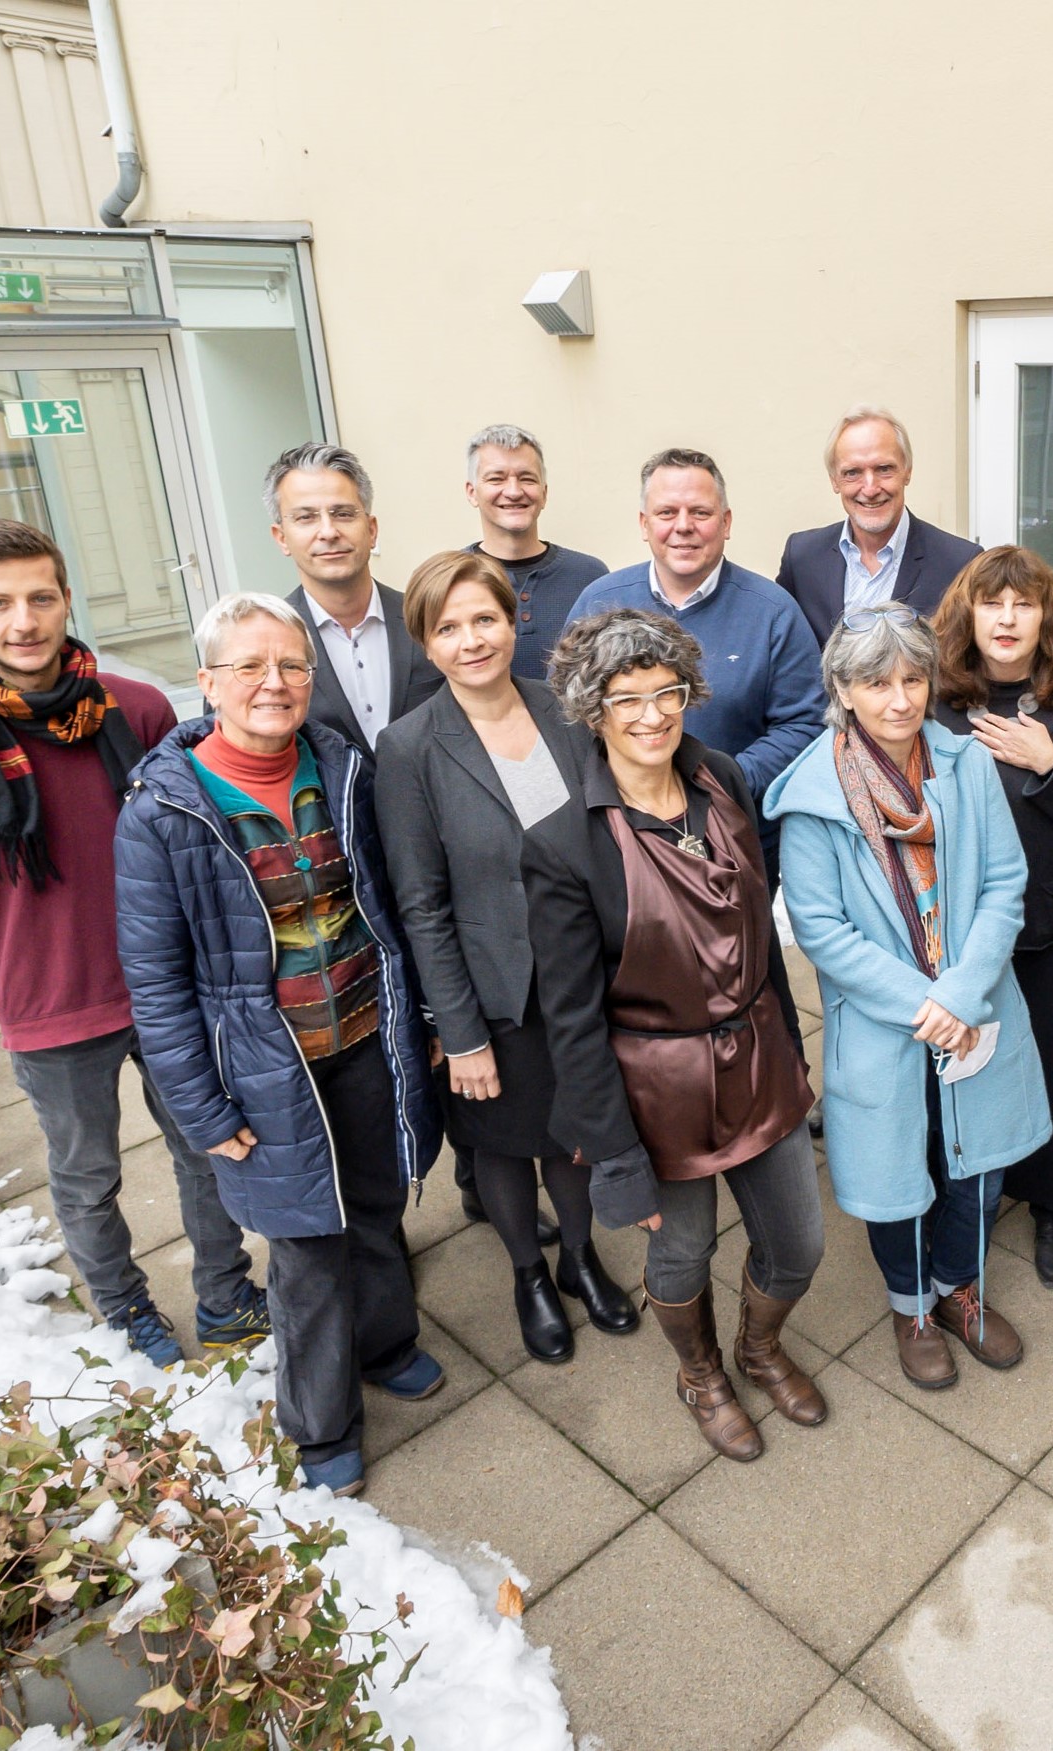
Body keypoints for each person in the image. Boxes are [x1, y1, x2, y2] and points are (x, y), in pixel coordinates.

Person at [0, 519, 262, 1368]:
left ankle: (228, 1294)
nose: (24, 619)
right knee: (88, 1175)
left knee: (208, 1148)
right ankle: (126, 1308)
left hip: (171, 986)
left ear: (65, 598)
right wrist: (25, 955)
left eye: (40, 596)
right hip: (51, 1003)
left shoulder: (138, 710)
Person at [115, 593, 445, 1498]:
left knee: (377, 1204)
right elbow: (157, 983)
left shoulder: (340, 768)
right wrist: (200, 1106)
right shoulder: (162, 813)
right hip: (268, 1072)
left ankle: (388, 1343)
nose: (274, 682)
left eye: (292, 665)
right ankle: (320, 1419)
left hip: (365, 1039)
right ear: (208, 682)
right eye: (250, 666)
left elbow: (385, 911)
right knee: (305, 1247)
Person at [522, 611, 823, 1459]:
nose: (653, 715)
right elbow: (571, 1021)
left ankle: (759, 1347)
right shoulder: (562, 845)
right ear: (593, 708)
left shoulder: (722, 778)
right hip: (658, 1093)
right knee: (681, 1256)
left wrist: (792, 1050)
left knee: (799, 1242)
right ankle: (699, 1372)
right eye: (628, 699)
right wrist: (615, 1158)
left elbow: (755, 935)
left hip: (760, 1056)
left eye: (667, 692)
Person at [768, 604, 1052, 1390]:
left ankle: (960, 1288)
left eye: (913, 678)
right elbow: (822, 929)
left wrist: (958, 992)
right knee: (898, 1173)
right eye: (875, 681)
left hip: (974, 1007)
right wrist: (922, 1002)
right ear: (843, 688)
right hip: (885, 1024)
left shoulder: (964, 765)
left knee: (977, 1167)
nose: (898, 699)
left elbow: (1003, 882)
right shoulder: (814, 792)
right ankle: (911, 1304)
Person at [374, 551, 634, 1367]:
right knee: (501, 1144)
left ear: (513, 619)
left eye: (482, 618)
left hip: (581, 978)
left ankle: (580, 1258)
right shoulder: (410, 746)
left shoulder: (566, 712)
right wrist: (461, 1030)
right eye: (446, 627)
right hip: (490, 995)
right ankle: (528, 1272)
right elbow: (420, 902)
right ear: (425, 642)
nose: (470, 638)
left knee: (574, 1134)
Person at [931, 547, 1053, 1287]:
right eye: (993, 603)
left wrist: (1051, 764)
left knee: (1051, 1062)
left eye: (1023, 603)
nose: (1008, 618)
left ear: (1046, 615)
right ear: (968, 614)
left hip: (1048, 922)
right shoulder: (936, 696)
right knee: (966, 1060)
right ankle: (968, 1192)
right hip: (954, 926)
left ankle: (1050, 1205)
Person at [565, 448, 826, 818]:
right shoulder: (598, 604)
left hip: (738, 832)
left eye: (700, 512)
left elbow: (805, 722)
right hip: (621, 831)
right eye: (667, 512)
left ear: (726, 522)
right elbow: (570, 716)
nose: (683, 525)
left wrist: (723, 783)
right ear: (644, 524)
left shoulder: (773, 612)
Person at [267, 442, 444, 756]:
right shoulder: (263, 643)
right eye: (306, 518)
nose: (328, 531)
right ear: (281, 538)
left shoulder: (430, 620)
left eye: (343, 514)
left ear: (372, 530)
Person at [775, 406, 982, 650]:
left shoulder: (960, 563)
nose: (870, 488)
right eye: (853, 472)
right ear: (834, 481)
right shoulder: (802, 558)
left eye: (884, 469)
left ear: (907, 471)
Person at [463, 423, 609, 680]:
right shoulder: (451, 579)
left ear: (544, 492)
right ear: (472, 492)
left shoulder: (590, 577)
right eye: (496, 478)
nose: (513, 491)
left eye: (526, 478)